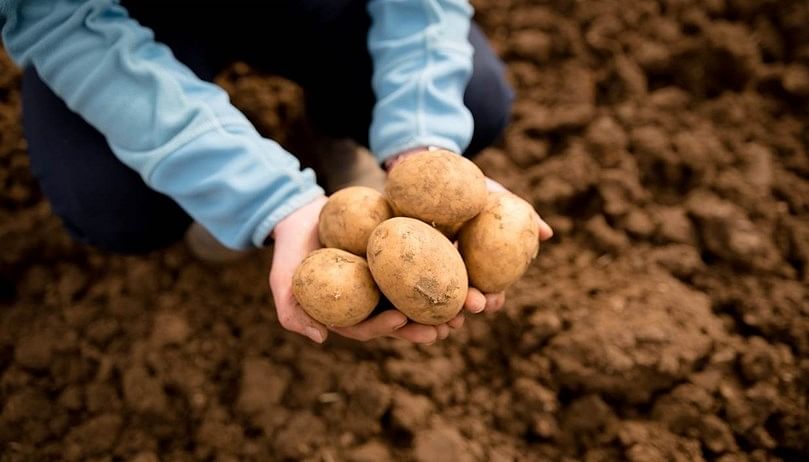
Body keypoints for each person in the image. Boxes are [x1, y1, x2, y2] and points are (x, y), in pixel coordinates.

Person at [0, 0, 552, 345]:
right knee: (110, 202)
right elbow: (61, 20)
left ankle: (330, 127)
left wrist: (421, 144)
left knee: (475, 99)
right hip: (114, 20)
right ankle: (204, 191)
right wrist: (271, 201)